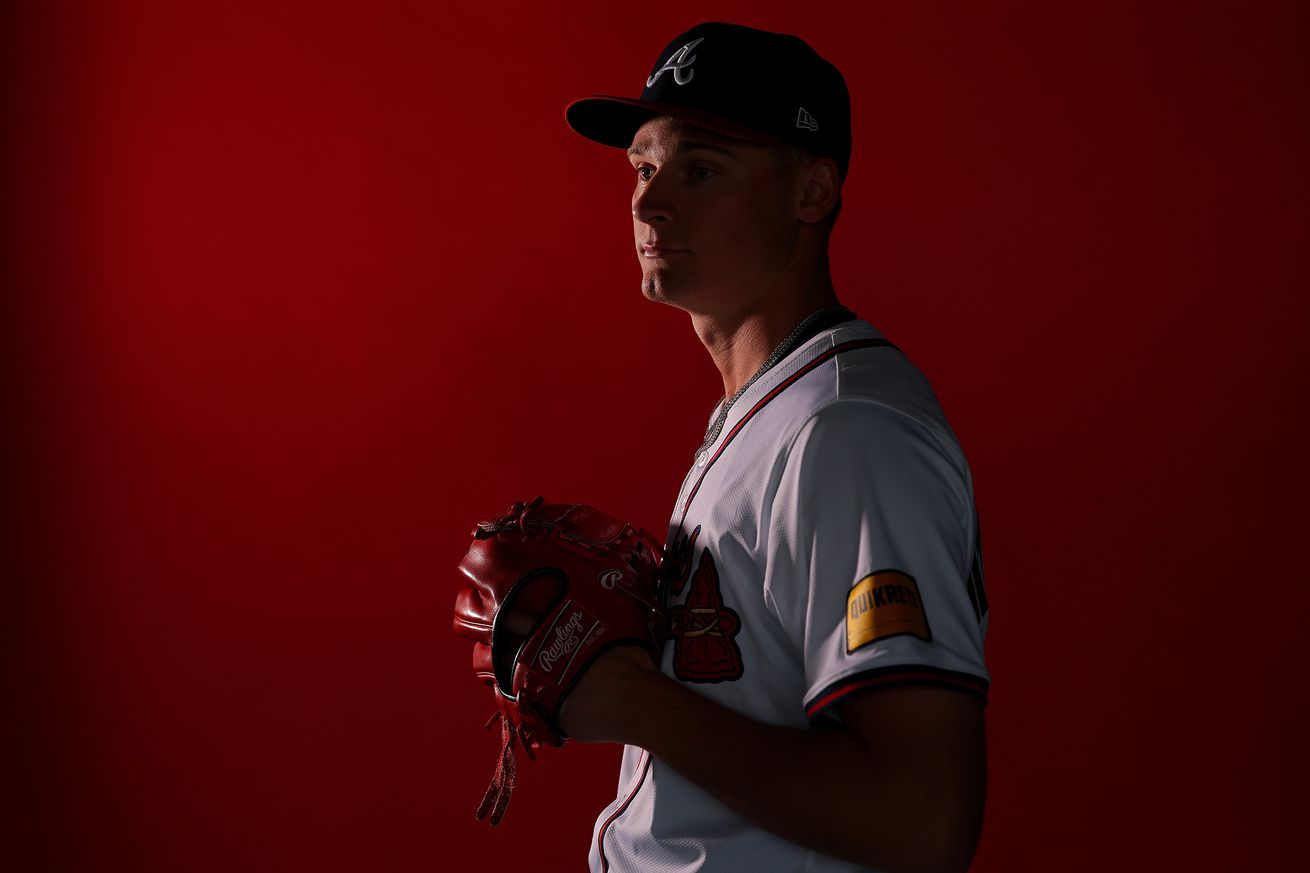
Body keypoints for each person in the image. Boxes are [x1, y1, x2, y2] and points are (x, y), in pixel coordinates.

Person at [558, 22, 991, 873]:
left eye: (701, 168)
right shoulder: (773, 409)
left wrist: (639, 701)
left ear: (813, 191)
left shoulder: (849, 432)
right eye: (643, 167)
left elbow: (921, 821)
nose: (648, 202)